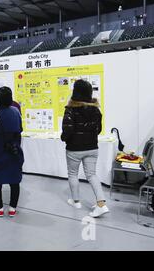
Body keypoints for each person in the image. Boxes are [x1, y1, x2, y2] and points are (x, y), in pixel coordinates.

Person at [61, 79, 110, 218]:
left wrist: (63, 138)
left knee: (73, 174)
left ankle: (76, 201)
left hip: (74, 149)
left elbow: (67, 130)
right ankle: (101, 204)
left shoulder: (70, 109)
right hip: (92, 148)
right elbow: (98, 129)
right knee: (92, 175)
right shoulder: (95, 109)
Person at [0, 87, 24, 218]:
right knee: (15, 181)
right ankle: (12, 208)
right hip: (14, 151)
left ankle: (0, 208)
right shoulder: (15, 111)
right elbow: (20, 130)